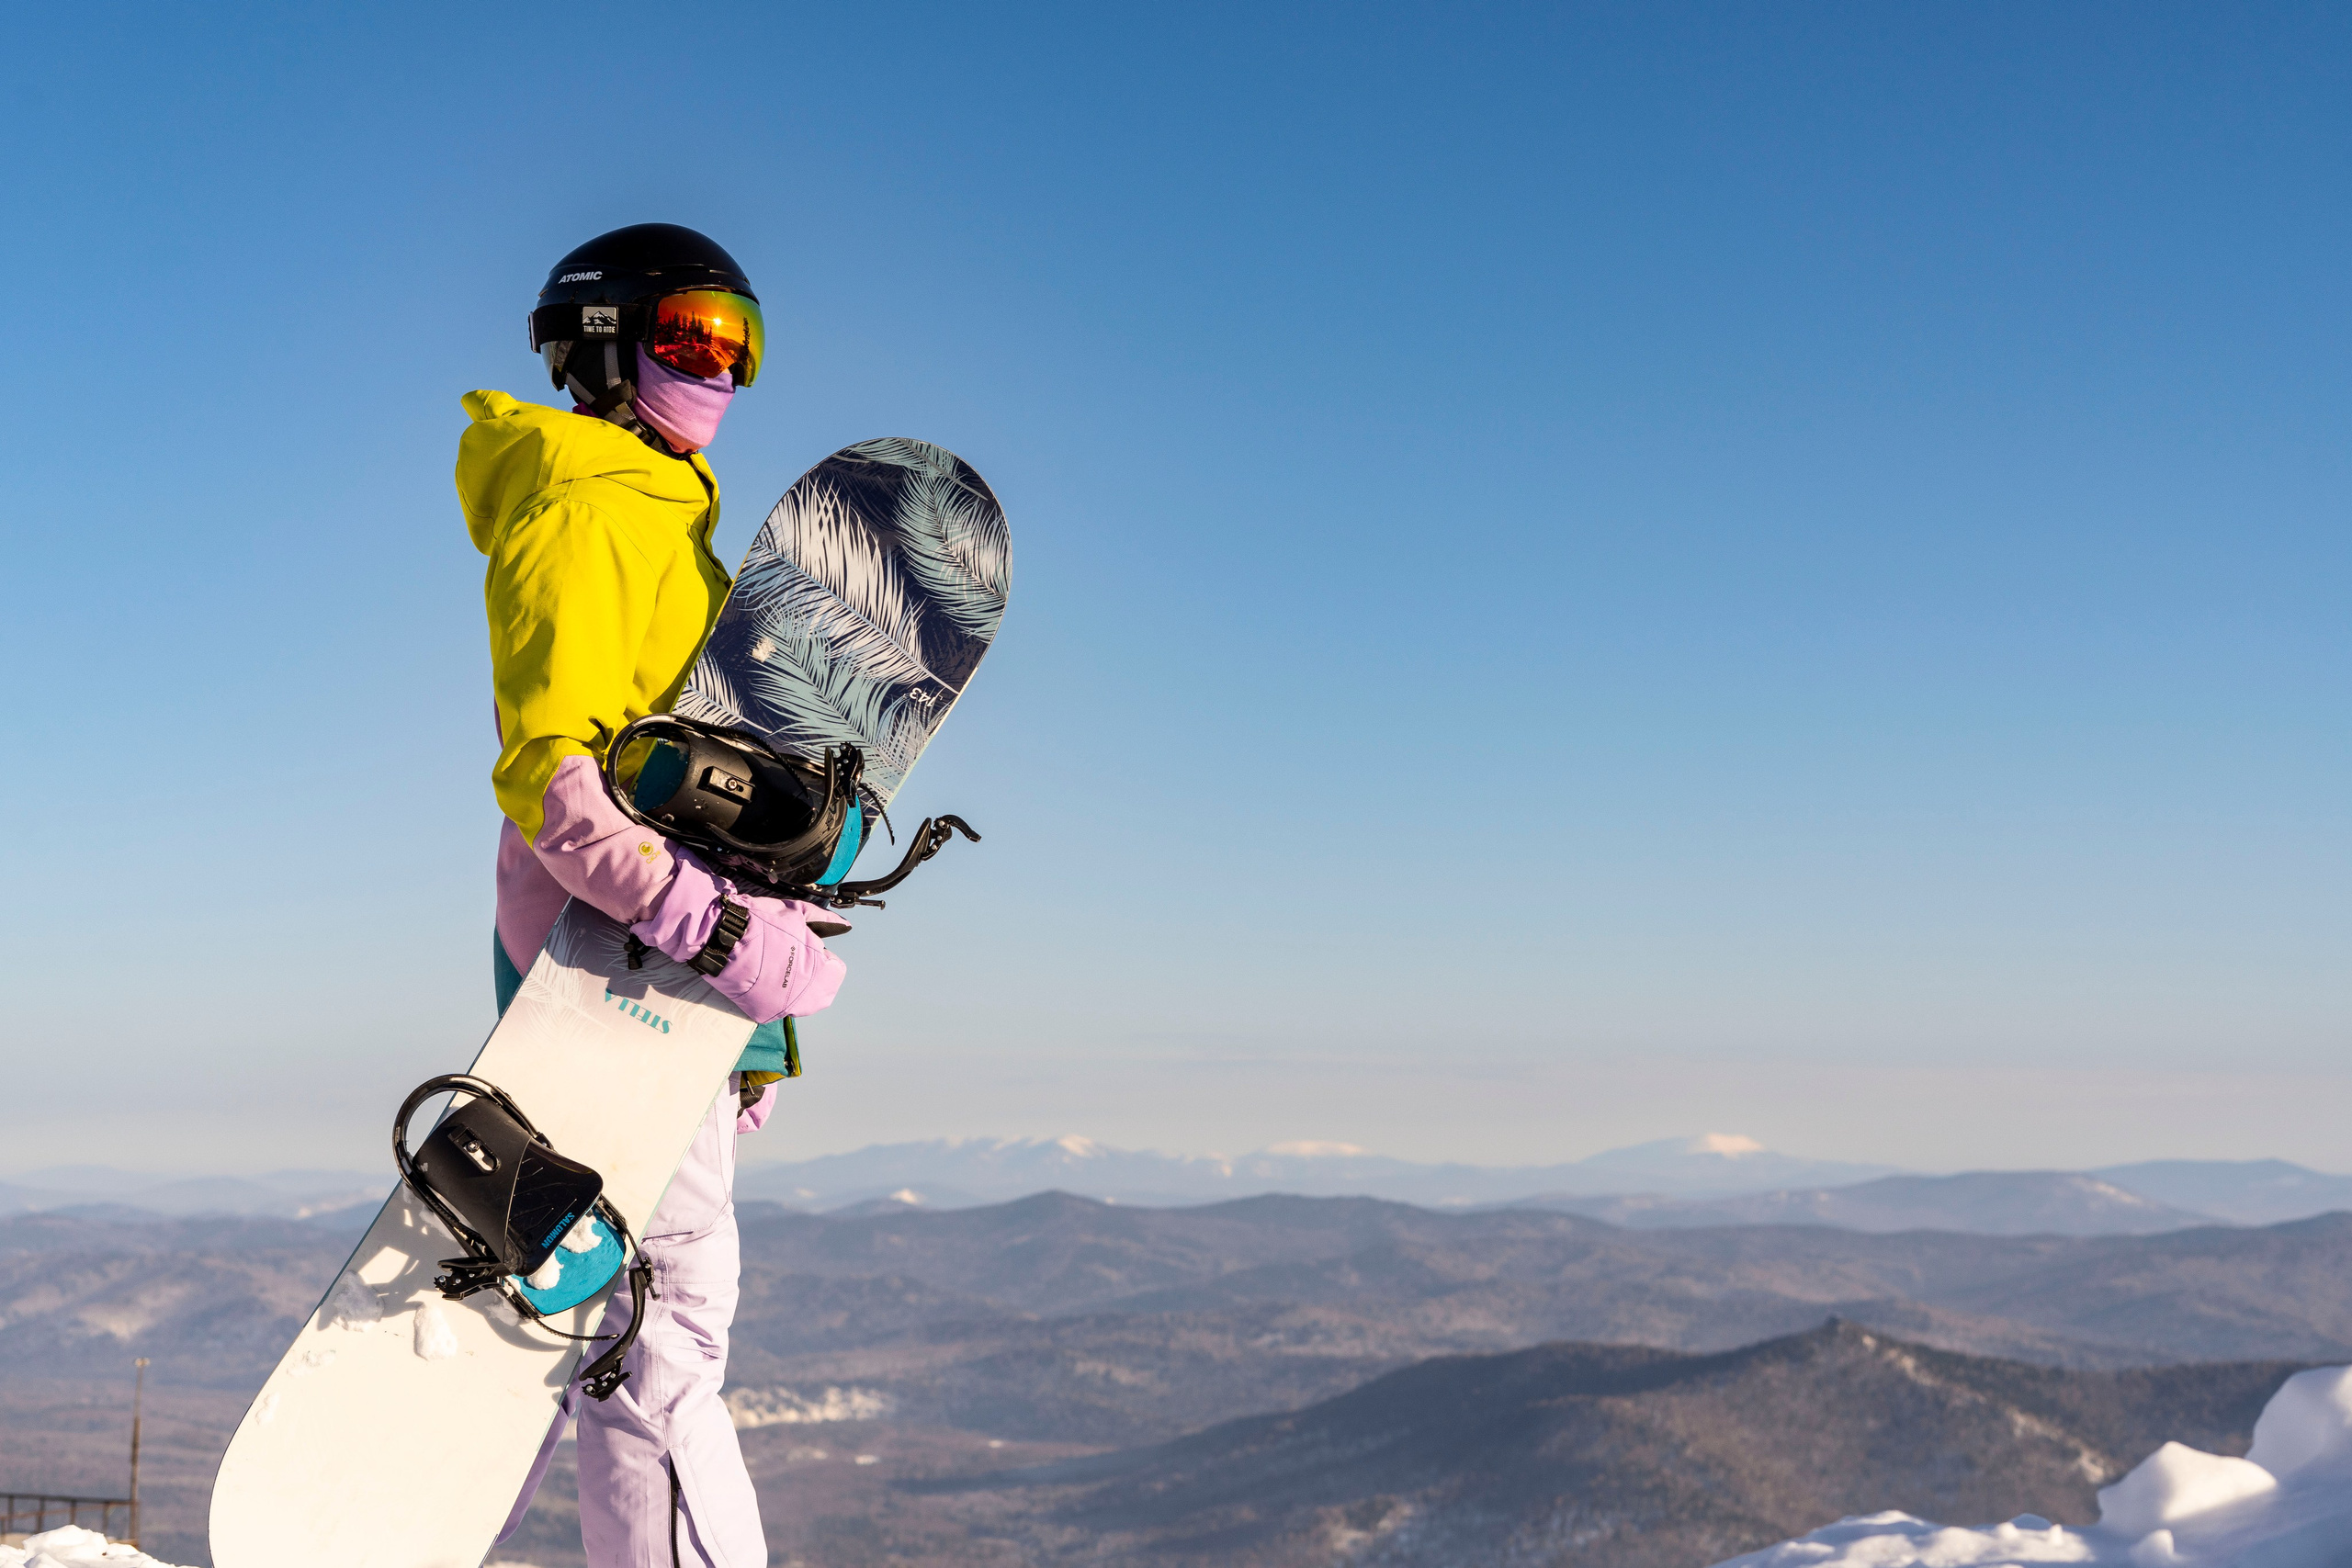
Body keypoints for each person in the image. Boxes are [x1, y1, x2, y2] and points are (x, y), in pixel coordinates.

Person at [454, 221, 841, 1568]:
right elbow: (558, 784)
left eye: (739, 347)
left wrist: (756, 1008)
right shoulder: (581, 505)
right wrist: (716, 937)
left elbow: (695, 789)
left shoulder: (674, 527)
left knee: (662, 1317)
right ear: (607, 342)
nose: (717, 372)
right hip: (608, 951)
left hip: (658, 963)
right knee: (664, 1321)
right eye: (688, 336)